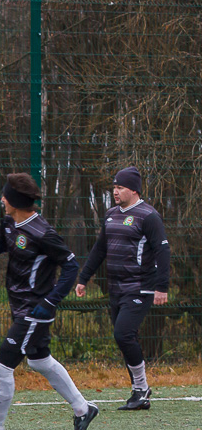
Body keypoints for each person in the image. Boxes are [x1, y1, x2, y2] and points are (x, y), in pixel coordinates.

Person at [0, 173, 99, 430]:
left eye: (5, 196)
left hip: (36, 309)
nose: (2, 199)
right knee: (39, 360)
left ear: (15, 201)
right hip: (19, 304)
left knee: (1, 366)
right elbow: (1, 242)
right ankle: (83, 409)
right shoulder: (10, 221)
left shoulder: (43, 232)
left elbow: (71, 266)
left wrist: (50, 301)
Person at [75, 167, 170, 411]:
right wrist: (84, 278)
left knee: (123, 334)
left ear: (134, 190)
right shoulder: (110, 215)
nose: (115, 191)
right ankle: (139, 390)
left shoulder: (148, 216)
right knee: (124, 337)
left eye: (120, 187)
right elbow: (99, 249)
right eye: (114, 187)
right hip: (116, 287)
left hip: (140, 287)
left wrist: (162, 286)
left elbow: (162, 250)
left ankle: (141, 388)